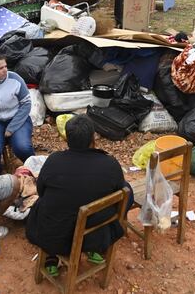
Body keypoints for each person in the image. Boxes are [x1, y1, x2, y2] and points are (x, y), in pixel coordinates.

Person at [26, 115, 132, 277]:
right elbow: (121, 198)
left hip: (55, 238)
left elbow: (41, 191)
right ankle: (94, 251)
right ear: (93, 138)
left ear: (67, 139)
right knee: (126, 191)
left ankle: (51, 257)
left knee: (43, 203)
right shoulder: (110, 164)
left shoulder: (54, 161)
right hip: (94, 237)